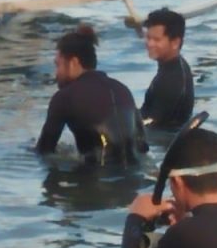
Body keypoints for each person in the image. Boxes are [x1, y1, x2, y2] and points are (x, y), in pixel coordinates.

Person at [36, 25, 147, 164]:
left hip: (96, 178)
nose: (56, 74)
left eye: (58, 65)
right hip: (134, 179)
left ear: (73, 63)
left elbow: (44, 151)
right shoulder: (122, 89)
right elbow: (143, 147)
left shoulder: (64, 97)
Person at [141, 8, 194, 129]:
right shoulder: (175, 67)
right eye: (148, 38)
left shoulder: (171, 80)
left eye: (156, 39)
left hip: (163, 142)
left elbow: (151, 122)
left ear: (175, 42)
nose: (150, 44)